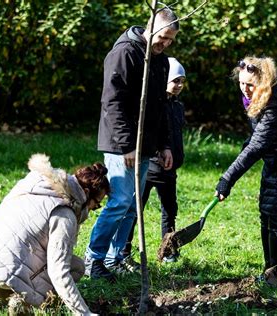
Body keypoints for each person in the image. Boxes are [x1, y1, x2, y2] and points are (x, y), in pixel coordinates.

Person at [85, 8, 179, 280]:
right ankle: (94, 259)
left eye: (171, 40)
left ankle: (117, 257)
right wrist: (127, 145)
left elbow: (159, 106)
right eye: (162, 37)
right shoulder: (125, 53)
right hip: (122, 144)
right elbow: (112, 103)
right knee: (119, 202)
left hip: (146, 145)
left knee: (132, 205)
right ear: (149, 26)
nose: (165, 44)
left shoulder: (160, 60)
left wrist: (164, 144)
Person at [214, 56, 277, 287]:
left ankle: (274, 276)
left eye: (250, 84)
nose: (245, 89)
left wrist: (227, 179)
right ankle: (269, 271)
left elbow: (258, 145)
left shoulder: (275, 103)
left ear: (264, 82)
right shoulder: (257, 99)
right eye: (241, 83)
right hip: (276, 160)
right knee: (266, 214)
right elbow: (257, 138)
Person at [0, 154, 110, 315]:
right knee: (77, 267)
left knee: (16, 254)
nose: (94, 209)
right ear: (86, 192)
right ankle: (22, 300)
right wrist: (83, 313)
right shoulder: (64, 215)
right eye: (97, 205)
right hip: (3, 270)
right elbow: (58, 271)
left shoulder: (37, 183)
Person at [124, 57, 186, 263]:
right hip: (150, 167)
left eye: (182, 81)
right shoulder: (155, 105)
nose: (178, 85)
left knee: (170, 210)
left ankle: (168, 250)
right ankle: (124, 250)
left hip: (169, 170)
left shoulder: (178, 107)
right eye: (175, 80)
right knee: (135, 210)